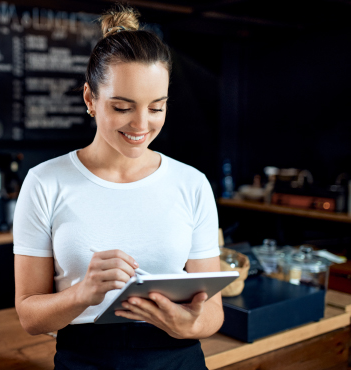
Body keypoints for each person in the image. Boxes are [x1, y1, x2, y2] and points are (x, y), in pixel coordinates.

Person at [13, 5, 222, 369]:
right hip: (86, 358)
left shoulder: (192, 184)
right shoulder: (44, 182)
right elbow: (30, 317)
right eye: (123, 107)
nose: (141, 125)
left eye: (157, 107)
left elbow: (214, 312)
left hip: (177, 358)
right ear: (90, 100)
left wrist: (190, 324)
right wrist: (83, 293)